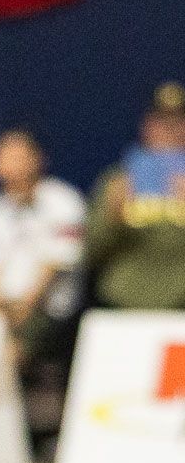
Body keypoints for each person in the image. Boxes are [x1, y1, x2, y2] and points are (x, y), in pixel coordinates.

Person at [0, 128, 87, 438]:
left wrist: (21, 311)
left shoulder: (63, 201)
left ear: (38, 160)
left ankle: (23, 436)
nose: (11, 165)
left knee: (10, 351)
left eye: (19, 156)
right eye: (4, 156)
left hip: (51, 308)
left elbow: (54, 266)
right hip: (7, 308)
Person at [81, 82, 185, 311]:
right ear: (146, 126)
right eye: (161, 122)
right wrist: (113, 216)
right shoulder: (116, 180)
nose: (170, 131)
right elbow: (90, 253)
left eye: (178, 122)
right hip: (122, 312)